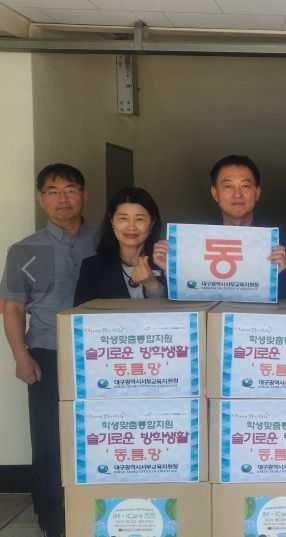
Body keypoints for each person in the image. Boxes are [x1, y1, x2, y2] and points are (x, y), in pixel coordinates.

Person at [0, 163, 97, 537]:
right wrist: (20, 356)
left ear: (84, 195)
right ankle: (52, 520)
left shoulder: (103, 238)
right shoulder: (24, 250)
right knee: (49, 440)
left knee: (97, 433)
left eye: (71, 190)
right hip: (47, 352)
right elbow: (12, 307)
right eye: (53, 192)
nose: (63, 199)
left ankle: (93, 511)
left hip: (100, 356)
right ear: (41, 199)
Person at [153, 154, 286, 296]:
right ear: (215, 193)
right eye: (228, 186)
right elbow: (184, 296)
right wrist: (171, 269)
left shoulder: (280, 243)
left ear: (257, 193)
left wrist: (280, 275)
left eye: (245, 186)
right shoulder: (193, 242)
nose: (237, 195)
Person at [74, 187, 165, 305]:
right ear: (112, 221)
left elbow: (182, 308)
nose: (131, 227)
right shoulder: (92, 268)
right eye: (123, 218)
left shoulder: (165, 262)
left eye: (139, 219)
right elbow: (81, 313)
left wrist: (152, 284)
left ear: (152, 223)